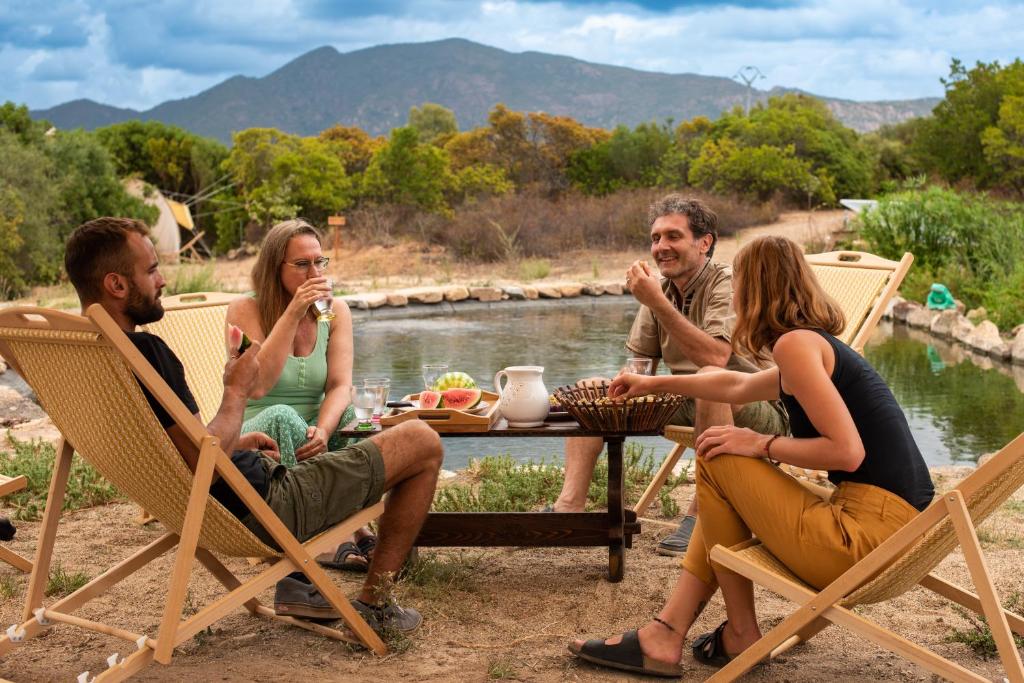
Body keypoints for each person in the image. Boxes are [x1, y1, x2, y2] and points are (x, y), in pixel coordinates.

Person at [569, 235, 934, 677]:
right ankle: (667, 633)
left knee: (719, 455)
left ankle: (731, 631)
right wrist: (654, 384)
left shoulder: (796, 346)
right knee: (723, 459)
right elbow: (737, 386)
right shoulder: (810, 343)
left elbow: (847, 451)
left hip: (861, 543)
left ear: (756, 288)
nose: (735, 295)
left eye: (739, 282)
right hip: (888, 531)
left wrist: (760, 444)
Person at [64, 217, 443, 634]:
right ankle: (376, 604)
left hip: (213, 498)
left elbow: (188, 448)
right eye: (152, 269)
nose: (164, 279)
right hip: (263, 503)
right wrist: (236, 392)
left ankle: (367, 549)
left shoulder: (83, 355)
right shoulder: (148, 352)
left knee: (369, 428)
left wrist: (238, 439)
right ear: (117, 285)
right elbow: (200, 453)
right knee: (421, 440)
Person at [550, 194, 788, 559]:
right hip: (684, 398)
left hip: (756, 405)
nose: (661, 247)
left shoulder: (725, 282)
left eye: (673, 236)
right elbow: (640, 367)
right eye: (656, 238)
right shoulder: (661, 289)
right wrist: (613, 389)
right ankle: (569, 509)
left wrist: (655, 303)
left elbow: (716, 357)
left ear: (704, 242)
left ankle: (703, 514)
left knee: (710, 379)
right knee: (590, 389)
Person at [226, 219, 373, 572]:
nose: (315, 273)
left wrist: (323, 429)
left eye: (320, 262)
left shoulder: (335, 312)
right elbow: (258, 386)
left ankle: (358, 525)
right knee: (280, 415)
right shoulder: (245, 309)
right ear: (275, 268)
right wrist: (292, 313)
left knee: (356, 418)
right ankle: (316, 539)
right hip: (257, 426)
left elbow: (340, 385)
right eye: (302, 264)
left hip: (311, 427)